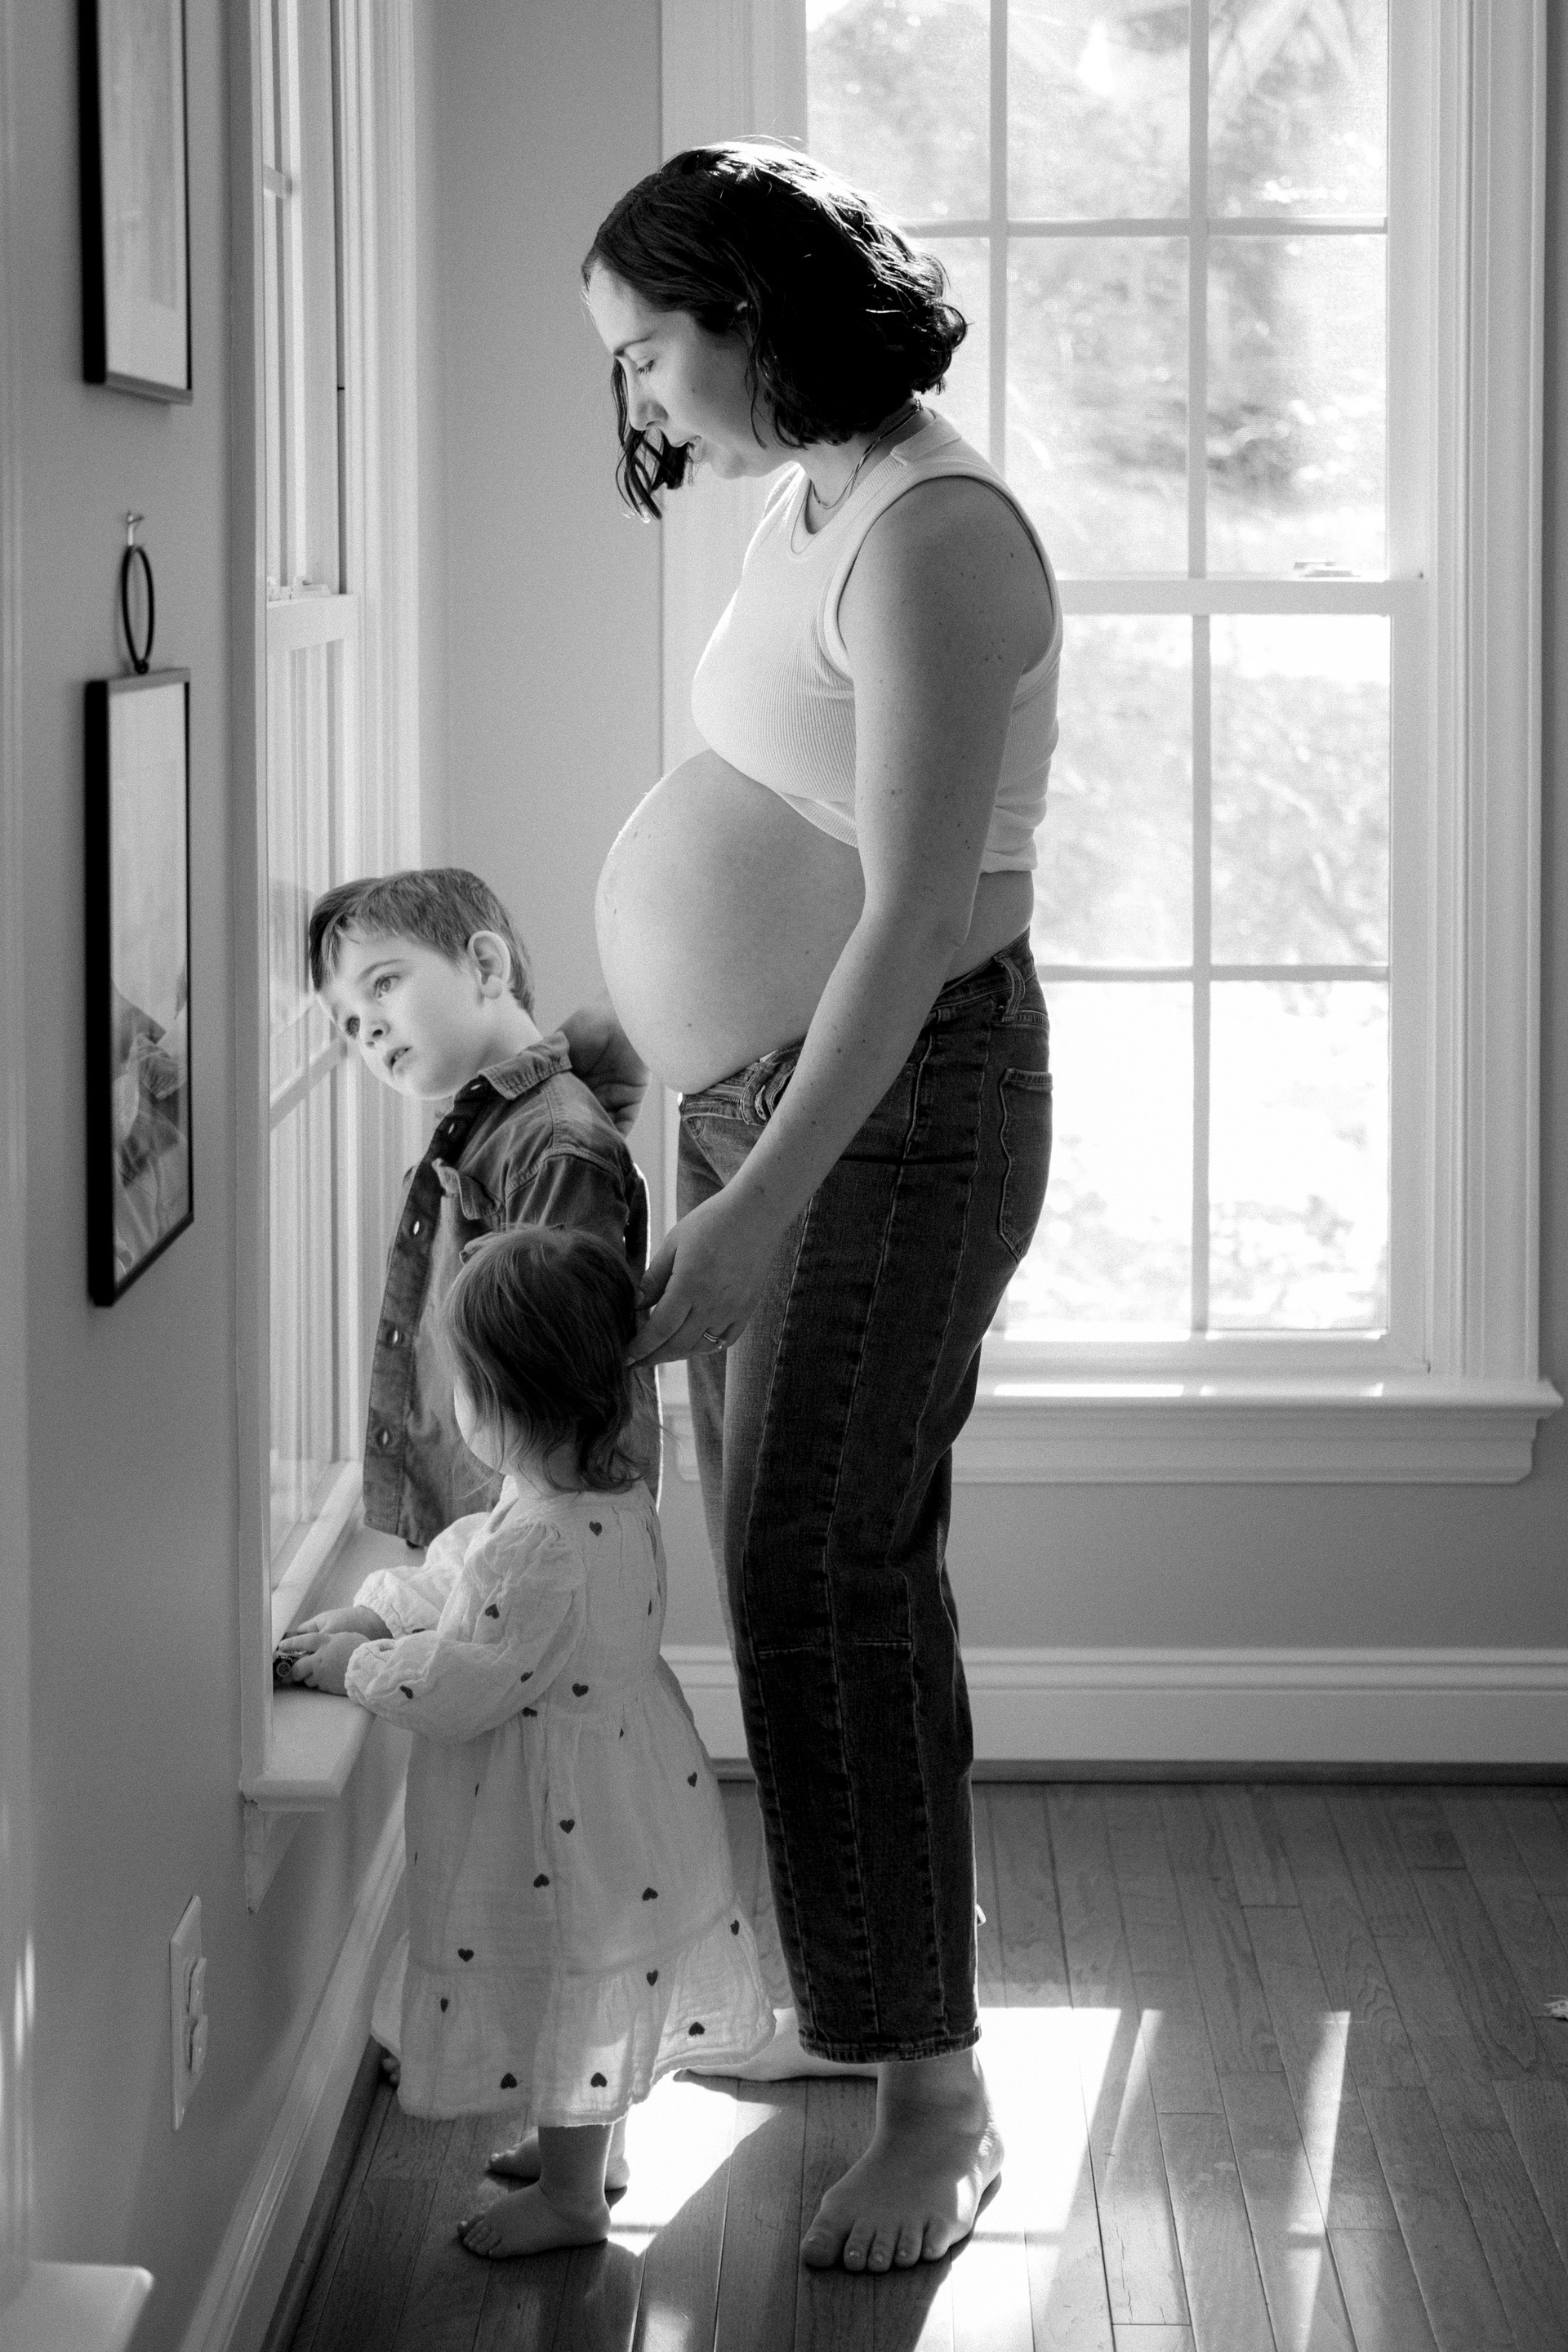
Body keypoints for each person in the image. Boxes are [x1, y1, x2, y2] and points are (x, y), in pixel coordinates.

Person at [573, 141, 1060, 2275]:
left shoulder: (938, 535)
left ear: (753, 313)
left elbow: (912, 919)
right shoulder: (810, 500)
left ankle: (935, 2099)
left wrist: (763, 1200)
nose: (637, 396)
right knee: (794, 1572)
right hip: (764, 1102)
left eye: (645, 349)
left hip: (895, 1101)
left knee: (826, 1572)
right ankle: (862, 2004)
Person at [277, 1226, 773, 2258]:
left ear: (503, 1398)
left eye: (460, 1386)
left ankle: (575, 2199)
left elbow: (465, 1683)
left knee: (567, 1985)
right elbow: (470, 1579)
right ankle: (588, 2153)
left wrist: (355, 1668)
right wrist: (378, 1609)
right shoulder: (598, 1490)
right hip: (624, 1788)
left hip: (559, 1818)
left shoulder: (544, 1540)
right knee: (589, 1980)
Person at [303, 866, 660, 1544]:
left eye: (383, 984)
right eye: (348, 1021)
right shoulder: (488, 1133)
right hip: (478, 1530)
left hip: (524, 1540)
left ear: (486, 967)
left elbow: (555, 1398)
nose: (367, 1028)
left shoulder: (550, 1145)